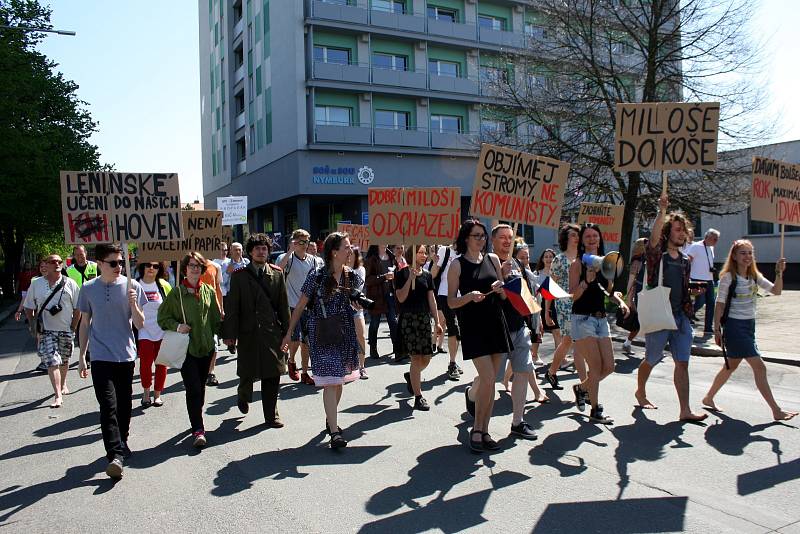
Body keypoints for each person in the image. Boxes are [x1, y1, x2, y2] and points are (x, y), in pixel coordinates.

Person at [281, 232, 361, 448]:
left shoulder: (352, 276)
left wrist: (358, 303)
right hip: (322, 332)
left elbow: (356, 300)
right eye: (346, 246)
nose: (350, 250)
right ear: (334, 252)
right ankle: (335, 432)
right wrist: (289, 333)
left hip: (344, 332)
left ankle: (330, 418)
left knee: (339, 379)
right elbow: (299, 306)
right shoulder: (316, 276)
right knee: (332, 380)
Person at [702, 241, 797, 421]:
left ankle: (708, 397)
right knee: (759, 366)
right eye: (743, 253)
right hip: (734, 327)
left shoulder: (754, 276)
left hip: (749, 326)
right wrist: (716, 330)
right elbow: (719, 305)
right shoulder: (728, 277)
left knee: (731, 365)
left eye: (750, 253)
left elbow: (776, 291)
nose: (747, 256)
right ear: (735, 256)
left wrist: (779, 272)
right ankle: (776, 410)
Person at [77, 243, 147, 479]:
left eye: (120, 262)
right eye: (113, 263)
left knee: (125, 405)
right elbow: (84, 323)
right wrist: (81, 357)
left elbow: (140, 324)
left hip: (125, 355)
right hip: (99, 356)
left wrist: (134, 304)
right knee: (108, 406)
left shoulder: (132, 285)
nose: (119, 267)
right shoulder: (87, 288)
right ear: (99, 263)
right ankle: (115, 455)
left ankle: (123, 440)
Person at [635, 191, 707, 422]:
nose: (682, 233)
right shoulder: (658, 255)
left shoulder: (686, 260)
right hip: (660, 314)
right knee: (652, 359)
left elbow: (681, 286)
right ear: (668, 232)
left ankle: (684, 410)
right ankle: (640, 390)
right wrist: (662, 211)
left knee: (682, 363)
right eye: (677, 229)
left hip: (681, 316)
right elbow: (653, 240)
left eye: (683, 230)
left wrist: (692, 290)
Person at [447, 220, 511, 453]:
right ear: (466, 238)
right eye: (477, 236)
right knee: (487, 377)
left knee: (491, 381)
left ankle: (485, 430)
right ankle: (476, 428)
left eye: (484, 236)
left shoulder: (493, 260)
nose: (482, 240)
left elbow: (505, 297)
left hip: (495, 323)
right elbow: (451, 301)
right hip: (473, 326)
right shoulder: (457, 265)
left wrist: (501, 290)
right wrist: (469, 297)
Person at [222, 234, 289, 427]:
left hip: (271, 333)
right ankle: (243, 395)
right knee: (247, 371)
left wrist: (288, 332)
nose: (262, 252)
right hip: (248, 332)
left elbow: (283, 306)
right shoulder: (239, 276)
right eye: (258, 248)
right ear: (250, 252)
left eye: (264, 248)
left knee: (273, 374)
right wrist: (230, 335)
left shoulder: (277, 274)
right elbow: (233, 308)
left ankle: (271, 415)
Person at [158, 252, 222, 448]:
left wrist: (225, 335)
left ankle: (196, 416)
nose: (195, 269)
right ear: (184, 269)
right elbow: (162, 318)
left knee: (200, 388)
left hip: (206, 348)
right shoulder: (176, 293)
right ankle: (198, 429)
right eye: (191, 265)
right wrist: (177, 327)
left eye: (198, 266)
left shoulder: (209, 291)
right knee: (193, 388)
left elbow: (215, 320)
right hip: (187, 350)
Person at [480, 225, 538, 439]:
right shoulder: (484, 263)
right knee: (489, 379)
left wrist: (531, 320)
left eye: (510, 238)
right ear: (492, 240)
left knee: (521, 372)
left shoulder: (516, 264)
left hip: (518, 326)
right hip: (496, 330)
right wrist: (500, 280)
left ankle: (518, 422)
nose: (507, 241)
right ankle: (472, 394)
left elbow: (525, 293)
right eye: (502, 237)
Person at [569, 223, 629, 425]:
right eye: (588, 236)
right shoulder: (578, 264)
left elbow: (608, 293)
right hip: (582, 318)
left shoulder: (606, 263)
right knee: (595, 367)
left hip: (601, 319)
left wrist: (621, 302)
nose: (592, 239)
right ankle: (596, 409)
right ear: (582, 241)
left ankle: (581, 388)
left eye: (595, 236)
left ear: (600, 239)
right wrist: (586, 281)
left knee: (609, 366)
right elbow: (573, 296)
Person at [23, 254, 81, 408]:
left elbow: (77, 309)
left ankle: (63, 384)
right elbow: (29, 306)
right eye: (52, 261)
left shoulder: (71, 283)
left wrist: (73, 327)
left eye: (59, 261)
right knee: (52, 361)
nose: (56, 264)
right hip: (46, 330)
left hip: (66, 330)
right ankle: (58, 395)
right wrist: (32, 324)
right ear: (45, 265)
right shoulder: (36, 284)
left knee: (64, 360)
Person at [396, 245, 443, 411]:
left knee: (426, 357)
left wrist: (437, 321)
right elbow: (400, 298)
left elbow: (432, 300)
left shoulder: (428, 275)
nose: (424, 255)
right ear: (412, 254)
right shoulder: (401, 273)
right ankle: (418, 396)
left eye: (425, 253)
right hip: (409, 320)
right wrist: (410, 278)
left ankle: (412, 376)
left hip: (424, 319)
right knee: (416, 358)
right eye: (421, 252)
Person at [276, 229, 323, 384]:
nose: (304, 245)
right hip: (291, 305)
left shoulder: (314, 260)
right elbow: (277, 271)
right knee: (295, 339)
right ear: (294, 241)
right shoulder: (286, 258)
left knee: (307, 342)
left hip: (309, 307)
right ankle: (291, 361)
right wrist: (290, 250)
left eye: (306, 242)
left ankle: (304, 373)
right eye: (301, 242)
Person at [545, 223, 587, 389]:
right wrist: (547, 310)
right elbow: (551, 286)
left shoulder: (584, 258)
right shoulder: (559, 259)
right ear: (566, 238)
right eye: (573, 235)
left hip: (582, 302)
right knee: (577, 342)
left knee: (568, 341)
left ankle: (551, 372)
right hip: (564, 304)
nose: (577, 237)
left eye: (578, 234)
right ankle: (585, 387)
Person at [135, 261, 172, 407]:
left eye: (156, 266)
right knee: (145, 364)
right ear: (142, 267)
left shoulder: (163, 285)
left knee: (161, 364)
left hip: (161, 331)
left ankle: (157, 395)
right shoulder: (135, 284)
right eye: (148, 265)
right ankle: (146, 393)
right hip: (143, 330)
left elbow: (172, 304)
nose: (151, 268)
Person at [430, 241, 463, 381]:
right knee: (453, 327)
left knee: (458, 330)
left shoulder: (467, 253)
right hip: (445, 294)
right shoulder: (445, 250)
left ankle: (454, 359)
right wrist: (434, 261)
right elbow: (432, 275)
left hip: (462, 296)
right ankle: (452, 363)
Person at [364, 245, 399, 359]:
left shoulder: (392, 257)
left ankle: (397, 346)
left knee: (393, 322)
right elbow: (368, 280)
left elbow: (397, 274)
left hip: (390, 295)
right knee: (374, 323)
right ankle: (373, 347)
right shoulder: (371, 259)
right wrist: (384, 277)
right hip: (376, 296)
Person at [513, 240, 545, 366]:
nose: (525, 260)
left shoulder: (529, 272)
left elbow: (538, 289)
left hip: (533, 314)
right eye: (522, 257)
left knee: (525, 347)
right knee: (521, 347)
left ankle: (526, 368)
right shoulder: (515, 272)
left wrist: (540, 318)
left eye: (527, 257)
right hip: (520, 315)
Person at [218, 242, 250, 354]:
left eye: (239, 250)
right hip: (231, 296)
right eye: (235, 250)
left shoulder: (247, 263)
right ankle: (232, 342)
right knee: (233, 320)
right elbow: (221, 283)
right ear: (230, 251)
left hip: (246, 296)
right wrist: (227, 273)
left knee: (244, 319)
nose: (237, 252)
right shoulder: (226, 265)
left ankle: (242, 343)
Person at [687, 229, 720, 333]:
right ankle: (688, 314)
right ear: (707, 238)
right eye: (715, 239)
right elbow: (688, 261)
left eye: (717, 239)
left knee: (711, 304)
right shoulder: (696, 246)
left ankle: (708, 327)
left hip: (709, 279)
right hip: (697, 278)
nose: (716, 242)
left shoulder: (711, 248)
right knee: (700, 302)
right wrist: (687, 277)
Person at [200, 255, 224, 386]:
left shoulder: (215, 267)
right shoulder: (190, 265)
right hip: (196, 310)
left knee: (214, 343)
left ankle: (211, 372)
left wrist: (221, 308)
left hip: (212, 311)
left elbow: (218, 289)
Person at [533, 248, 562, 354]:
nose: (549, 259)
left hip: (555, 305)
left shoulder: (558, 273)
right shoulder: (536, 273)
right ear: (542, 259)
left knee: (557, 331)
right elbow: (533, 290)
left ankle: (559, 358)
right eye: (546, 256)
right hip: (540, 304)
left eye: (551, 256)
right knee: (539, 331)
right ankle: (534, 356)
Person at [622, 238, 648, 354]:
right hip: (639, 294)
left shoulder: (648, 259)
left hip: (647, 293)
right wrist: (629, 298)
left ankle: (628, 342)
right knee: (641, 321)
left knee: (644, 320)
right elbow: (631, 281)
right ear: (642, 247)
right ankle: (628, 342)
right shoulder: (637, 261)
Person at [346, 247, 369, 379]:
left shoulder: (360, 269)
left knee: (360, 335)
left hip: (356, 307)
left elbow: (357, 288)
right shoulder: (339, 269)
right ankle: (347, 365)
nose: (348, 256)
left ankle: (362, 366)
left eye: (351, 254)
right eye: (347, 253)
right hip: (342, 308)